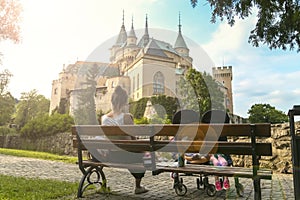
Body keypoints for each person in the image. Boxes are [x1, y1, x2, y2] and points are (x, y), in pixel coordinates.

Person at [101, 85, 149, 194]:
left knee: (141, 153)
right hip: (126, 156)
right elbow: (134, 140)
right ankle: (138, 186)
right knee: (146, 154)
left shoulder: (103, 119)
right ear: (124, 102)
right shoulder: (127, 117)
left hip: (111, 156)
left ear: (112, 101)